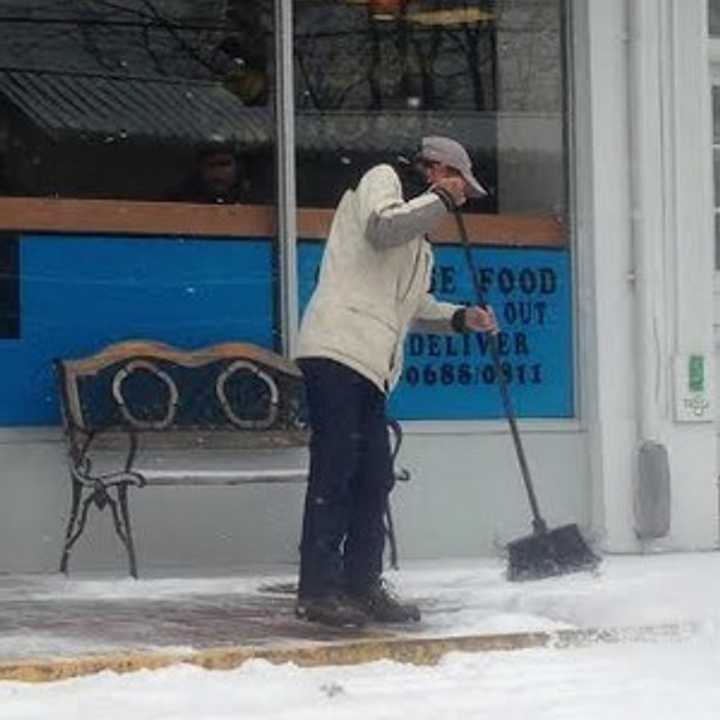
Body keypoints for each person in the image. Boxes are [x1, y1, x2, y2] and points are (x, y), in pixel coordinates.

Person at [294, 136, 498, 628]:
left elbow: (415, 307)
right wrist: (442, 199)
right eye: (456, 184)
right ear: (436, 170)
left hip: (374, 364)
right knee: (338, 467)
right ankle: (318, 589)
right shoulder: (382, 179)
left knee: (374, 478)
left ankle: (362, 584)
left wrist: (459, 316)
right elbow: (383, 228)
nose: (458, 199)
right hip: (338, 346)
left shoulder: (421, 244)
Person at [165, 139, 246, 204]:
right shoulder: (179, 198)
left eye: (224, 164)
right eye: (211, 165)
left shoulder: (250, 198)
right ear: (200, 168)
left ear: (238, 167)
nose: (217, 172)